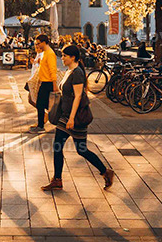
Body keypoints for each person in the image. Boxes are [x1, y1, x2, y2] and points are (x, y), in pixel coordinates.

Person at [42, 43, 114, 193]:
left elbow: (78, 96)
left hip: (76, 117)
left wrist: (72, 118)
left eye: (65, 56)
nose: (62, 58)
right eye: (62, 55)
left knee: (81, 150)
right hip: (65, 115)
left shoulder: (77, 73)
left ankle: (105, 171)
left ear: (73, 57)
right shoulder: (69, 71)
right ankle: (57, 180)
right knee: (58, 147)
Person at [29, 33, 59, 134]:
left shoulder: (50, 53)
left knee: (41, 104)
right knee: (45, 104)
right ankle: (42, 124)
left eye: (38, 43)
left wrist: (54, 84)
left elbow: (52, 69)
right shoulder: (45, 52)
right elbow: (44, 66)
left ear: (44, 42)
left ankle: (41, 126)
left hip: (48, 82)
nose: (37, 45)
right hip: (44, 81)